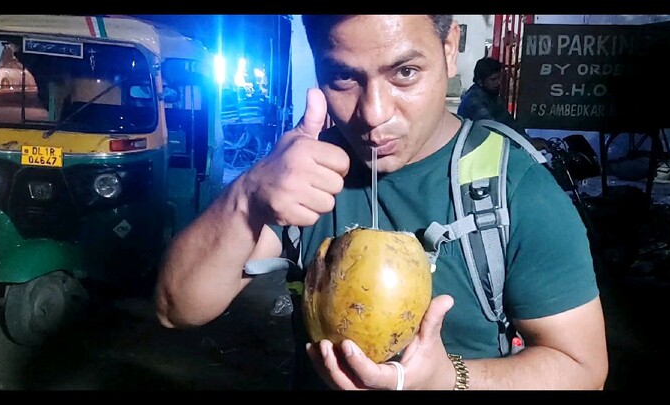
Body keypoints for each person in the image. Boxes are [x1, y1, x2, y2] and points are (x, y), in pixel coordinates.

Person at [154, 15, 608, 390]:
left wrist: (446, 378)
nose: (373, 113)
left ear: (450, 48)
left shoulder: (514, 186)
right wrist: (246, 197)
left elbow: (582, 367)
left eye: (404, 72)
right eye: (342, 78)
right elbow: (177, 308)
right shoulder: (304, 173)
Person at [458, 56, 547, 151]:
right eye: (493, 79)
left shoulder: (492, 96)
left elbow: (509, 122)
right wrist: (526, 144)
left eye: (499, 78)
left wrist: (527, 140)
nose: (498, 82)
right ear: (480, 82)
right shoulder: (475, 101)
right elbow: (492, 130)